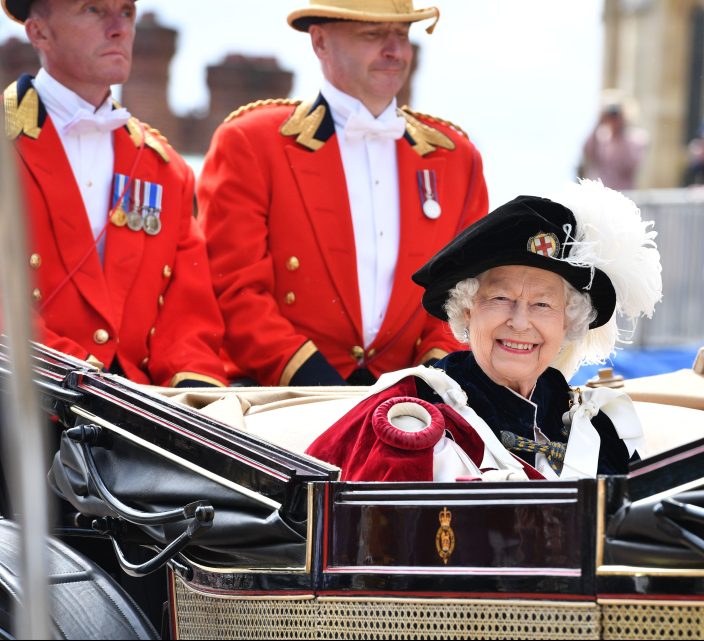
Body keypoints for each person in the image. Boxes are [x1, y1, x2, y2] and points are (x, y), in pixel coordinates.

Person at [198, 0, 488, 387]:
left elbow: (469, 292)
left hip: (415, 402)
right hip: (280, 397)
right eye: (373, 34)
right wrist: (320, 385)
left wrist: (428, 381)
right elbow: (233, 288)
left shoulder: (455, 158)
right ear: (320, 42)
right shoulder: (251, 142)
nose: (394, 50)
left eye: (402, 35)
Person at [305, 180, 663, 481]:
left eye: (543, 304)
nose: (521, 322)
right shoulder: (413, 418)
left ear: (568, 322)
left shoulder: (600, 427)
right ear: (466, 311)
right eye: (501, 298)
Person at [2, 0, 226, 387]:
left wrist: (195, 399)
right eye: (92, 10)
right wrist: (90, 386)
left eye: (126, 12)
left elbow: (188, 317)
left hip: (138, 420)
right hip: (22, 404)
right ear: (38, 32)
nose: (118, 28)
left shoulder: (164, 168)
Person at [579, 96, 647, 191]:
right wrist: (599, 123)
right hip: (598, 193)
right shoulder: (601, 137)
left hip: (622, 194)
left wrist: (621, 131)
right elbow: (587, 152)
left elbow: (630, 166)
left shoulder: (636, 138)